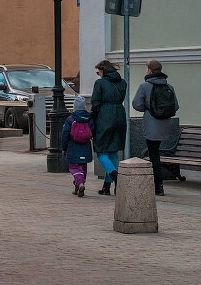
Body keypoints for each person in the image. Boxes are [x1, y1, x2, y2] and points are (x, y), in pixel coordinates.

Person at [132, 59, 179, 196]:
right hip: (164, 124)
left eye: (147, 69)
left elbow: (136, 104)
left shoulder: (144, 86)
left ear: (150, 71)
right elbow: (175, 106)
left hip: (151, 123)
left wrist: (147, 108)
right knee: (155, 153)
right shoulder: (169, 86)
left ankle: (158, 186)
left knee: (153, 155)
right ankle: (158, 185)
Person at [91, 59, 128, 195]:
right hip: (120, 115)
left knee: (101, 152)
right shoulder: (122, 82)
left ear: (103, 70)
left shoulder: (100, 83)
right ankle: (107, 187)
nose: (98, 74)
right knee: (113, 151)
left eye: (98, 71)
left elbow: (95, 103)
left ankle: (115, 175)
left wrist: (93, 117)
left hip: (104, 117)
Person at [60, 95, 95, 196]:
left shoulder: (70, 119)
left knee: (74, 168)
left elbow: (65, 134)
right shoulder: (89, 118)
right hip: (85, 145)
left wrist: (64, 147)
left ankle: (79, 184)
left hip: (73, 146)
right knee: (83, 168)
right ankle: (78, 186)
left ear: (75, 106)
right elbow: (92, 131)